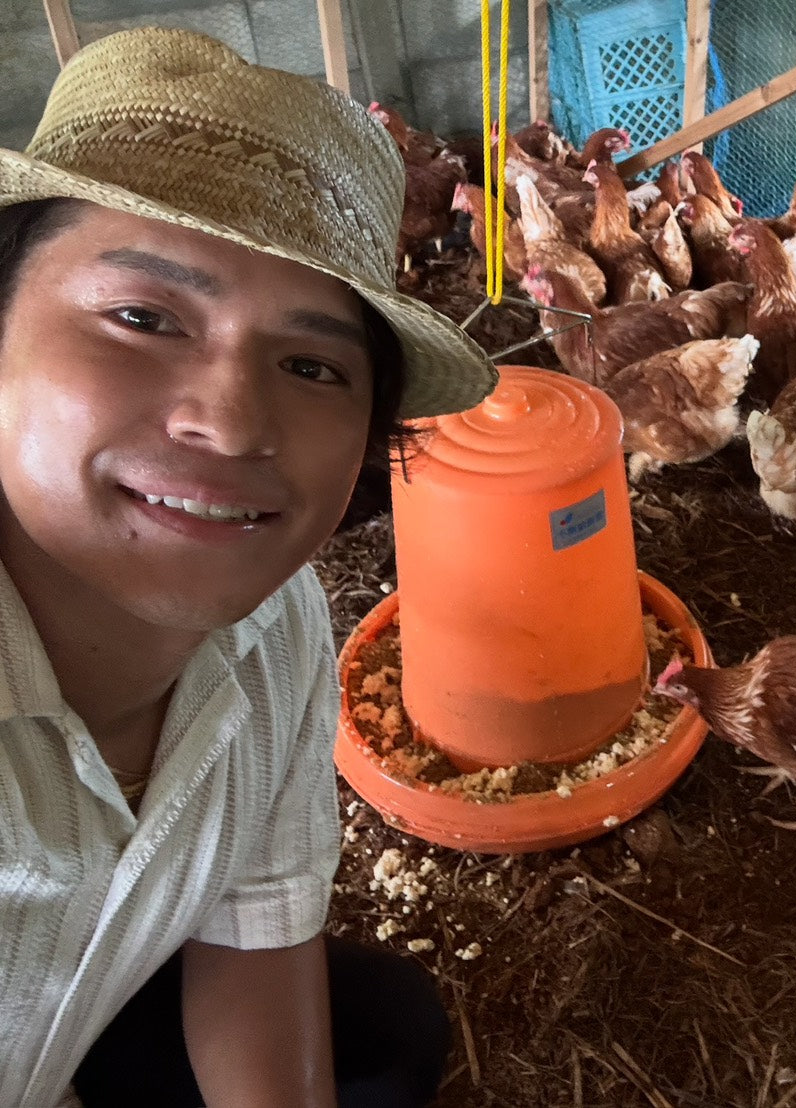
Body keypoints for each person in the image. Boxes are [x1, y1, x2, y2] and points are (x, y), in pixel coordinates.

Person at [0, 27, 495, 1107]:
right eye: (143, 318)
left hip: (76, 1020)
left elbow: (255, 927)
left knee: (382, 1030)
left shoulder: (279, 628)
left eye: (311, 365)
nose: (228, 423)